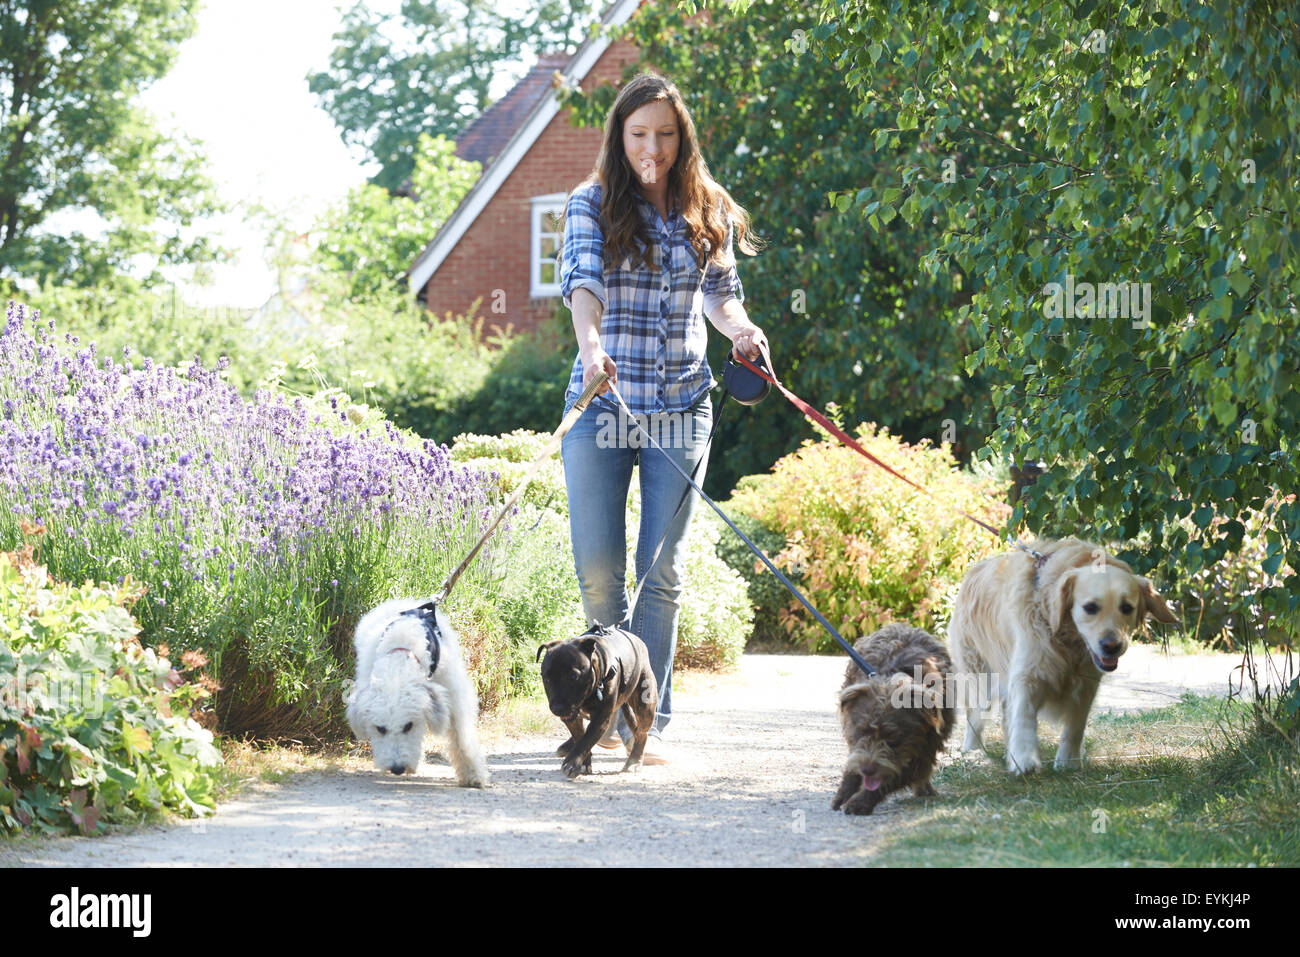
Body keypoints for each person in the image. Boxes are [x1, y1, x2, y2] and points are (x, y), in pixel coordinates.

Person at [557, 72, 768, 764]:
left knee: (661, 569)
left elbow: (722, 296)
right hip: (602, 403)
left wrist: (742, 331)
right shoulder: (590, 203)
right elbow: (582, 284)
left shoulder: (706, 207)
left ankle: (642, 722)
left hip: (680, 406)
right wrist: (592, 348)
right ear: (621, 136)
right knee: (598, 570)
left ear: (683, 140)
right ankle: (603, 700)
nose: (653, 145)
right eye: (640, 133)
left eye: (666, 134)